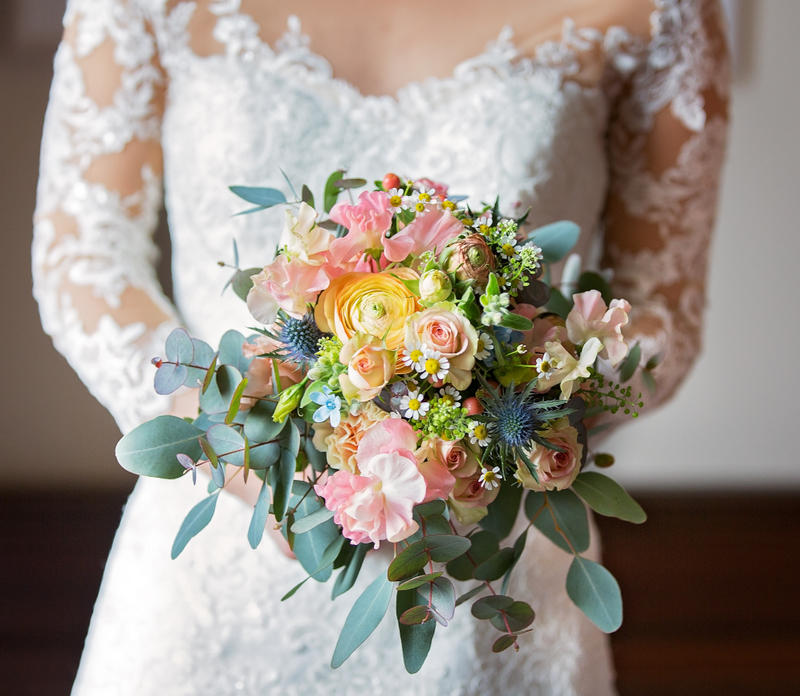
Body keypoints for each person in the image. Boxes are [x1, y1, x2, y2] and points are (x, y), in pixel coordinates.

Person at [32, 1, 729, 693]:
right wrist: (225, 430)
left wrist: (507, 403)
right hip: (209, 585)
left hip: (486, 592)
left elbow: (665, 309)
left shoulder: (660, 11)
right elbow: (83, 259)